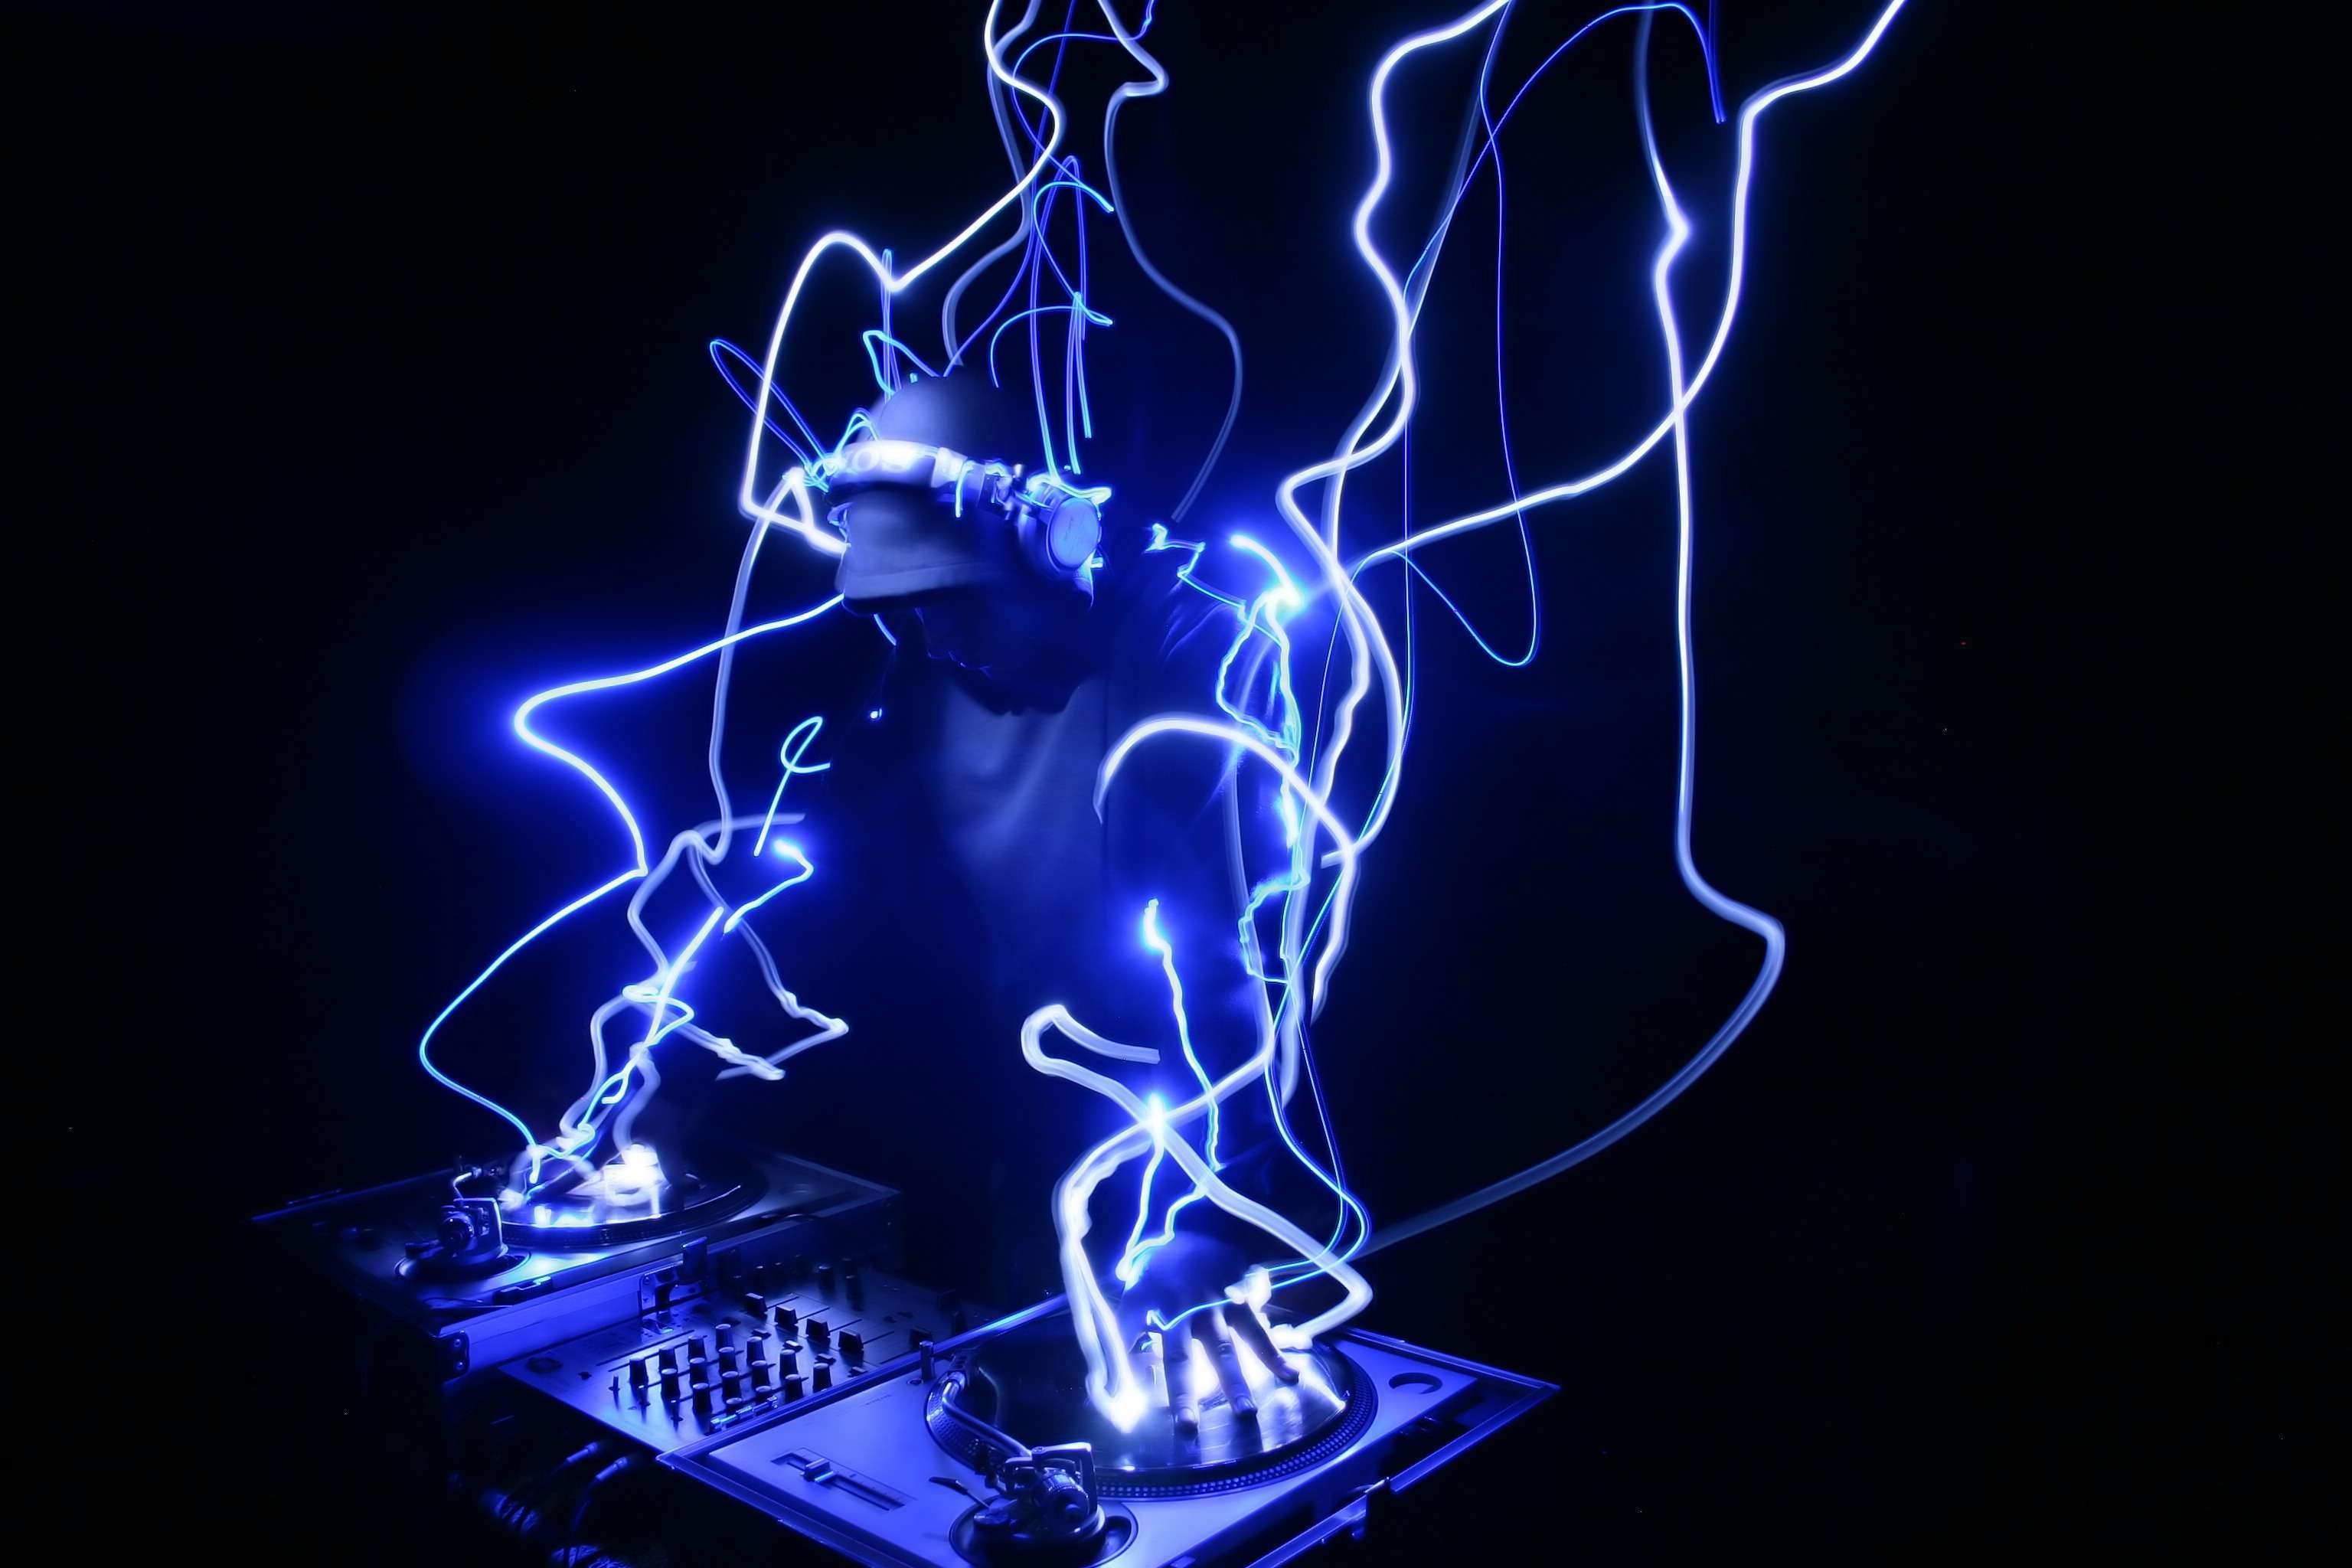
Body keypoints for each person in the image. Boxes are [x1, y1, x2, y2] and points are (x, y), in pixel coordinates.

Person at [760, 370, 1309, 1395]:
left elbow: (1235, 958)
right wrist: (657, 1083)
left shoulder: (1193, 646)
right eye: (909, 610)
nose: (936, 638)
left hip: (1202, 1164)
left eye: (954, 603)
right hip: (1026, 1145)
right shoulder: (913, 667)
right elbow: (793, 872)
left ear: (1048, 540)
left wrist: (1225, 1218)